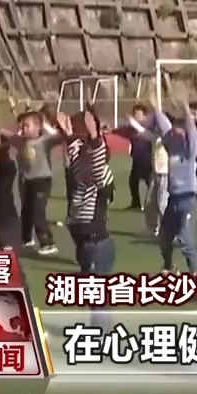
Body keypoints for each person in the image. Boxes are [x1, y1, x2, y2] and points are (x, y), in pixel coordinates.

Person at [63, 109, 116, 278]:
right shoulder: (81, 169)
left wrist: (93, 135)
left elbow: (95, 157)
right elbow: (75, 153)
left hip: (93, 241)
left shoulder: (100, 174)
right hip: (86, 241)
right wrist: (70, 134)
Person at [149, 102, 197, 273]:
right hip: (173, 201)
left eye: (180, 131)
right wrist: (156, 109)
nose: (176, 133)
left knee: (186, 239)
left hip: (187, 200)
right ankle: (169, 265)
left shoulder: (189, 151)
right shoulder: (171, 147)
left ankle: (195, 272)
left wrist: (186, 110)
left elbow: (191, 132)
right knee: (164, 236)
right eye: (175, 131)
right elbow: (165, 127)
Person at [16, 107, 63, 256]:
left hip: (42, 181)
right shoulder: (21, 142)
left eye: (27, 125)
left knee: (38, 212)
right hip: (27, 181)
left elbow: (60, 137)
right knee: (26, 211)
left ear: (37, 127)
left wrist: (55, 124)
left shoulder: (45, 141)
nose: (23, 128)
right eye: (22, 126)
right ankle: (26, 239)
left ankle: (48, 243)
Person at [125, 104, 154, 211]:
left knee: (150, 182)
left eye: (139, 114)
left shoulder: (148, 128)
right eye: (135, 114)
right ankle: (136, 203)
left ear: (145, 115)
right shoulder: (132, 129)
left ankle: (152, 204)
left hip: (146, 159)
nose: (137, 116)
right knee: (133, 181)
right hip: (136, 159)